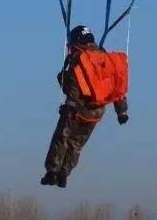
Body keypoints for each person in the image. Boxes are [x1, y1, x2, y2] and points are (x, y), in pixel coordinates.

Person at [41, 26, 129, 188]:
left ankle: (52, 173)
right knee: (76, 144)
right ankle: (64, 175)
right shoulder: (104, 59)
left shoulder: (78, 59)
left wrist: (63, 85)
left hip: (76, 109)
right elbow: (115, 88)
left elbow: (72, 88)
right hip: (96, 112)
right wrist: (121, 112)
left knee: (62, 138)